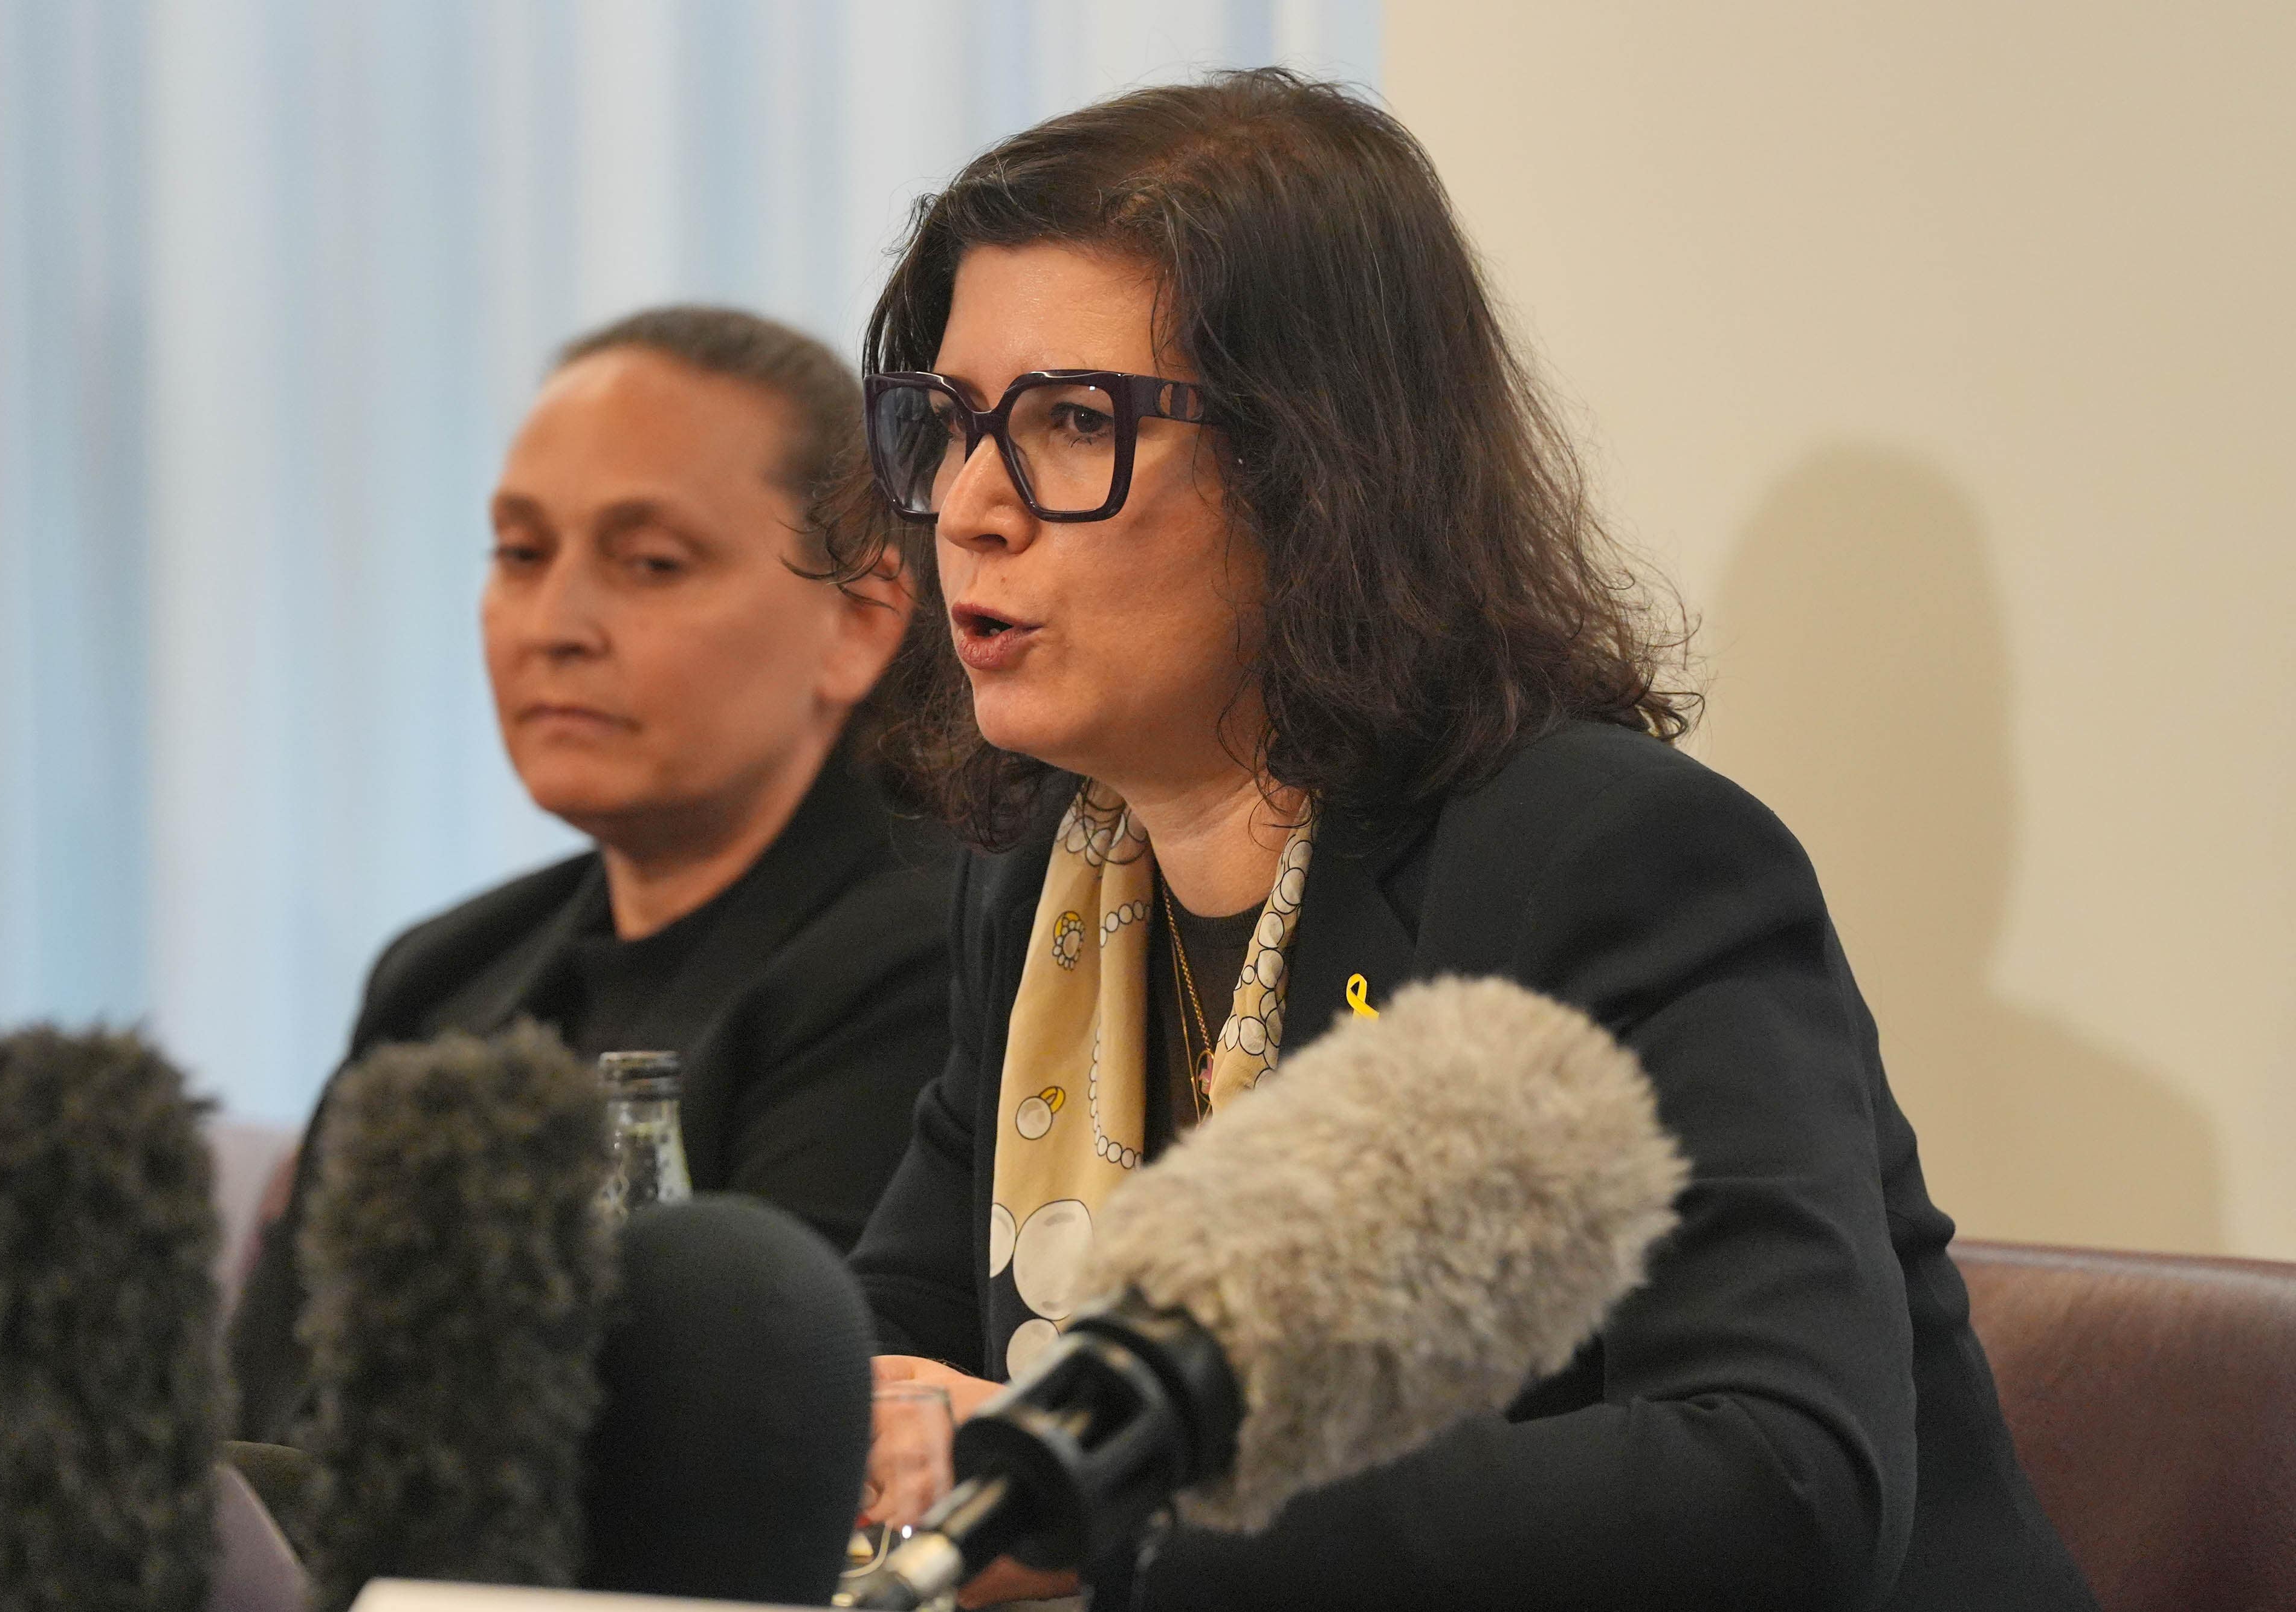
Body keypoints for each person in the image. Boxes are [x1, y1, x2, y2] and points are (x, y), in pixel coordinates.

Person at [833, 71, 2099, 1610]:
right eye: (948, 426)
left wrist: (1119, 1509)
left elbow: (1776, 1480)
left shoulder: (1609, 862)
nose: (970, 505)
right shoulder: (1046, 877)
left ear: (1312, 469)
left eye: (1072, 423)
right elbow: (900, 1336)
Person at [230, 306, 951, 1444]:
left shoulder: (926, 957)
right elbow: (264, 1423)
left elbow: (754, 1446)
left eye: (651, 564)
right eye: (521, 555)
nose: (554, 625)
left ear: (859, 620)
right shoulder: (439, 978)